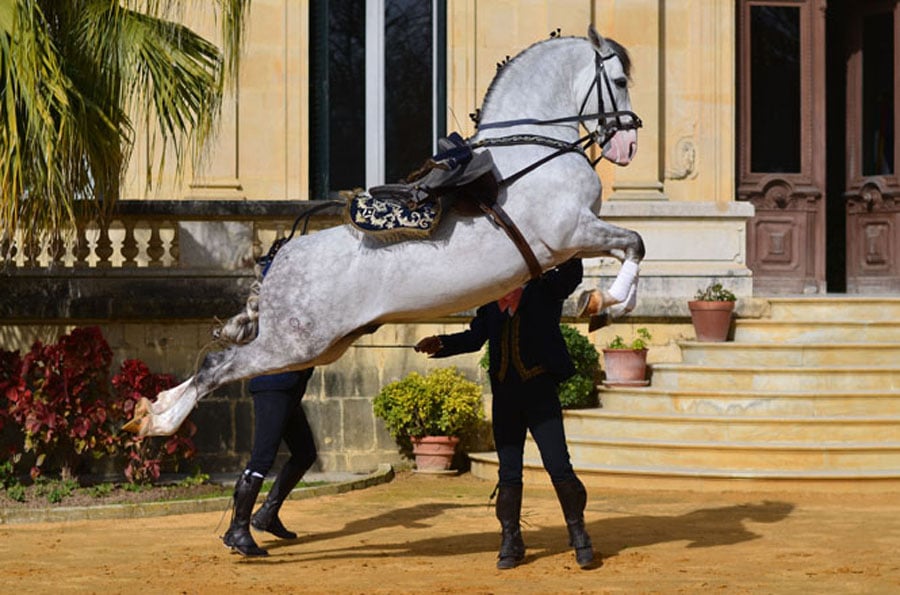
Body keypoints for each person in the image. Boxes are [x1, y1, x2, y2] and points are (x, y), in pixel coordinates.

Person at [414, 258, 595, 570]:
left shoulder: (545, 288)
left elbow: (573, 272)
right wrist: (440, 343)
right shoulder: (490, 298)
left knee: (558, 467)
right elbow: (474, 338)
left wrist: (567, 243)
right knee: (509, 473)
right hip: (506, 398)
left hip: (540, 395)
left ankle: (578, 532)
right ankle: (511, 538)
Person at [222, 368, 317, 557]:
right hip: (275, 387)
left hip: (290, 388)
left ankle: (268, 515)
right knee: (262, 459)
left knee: (305, 453)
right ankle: (238, 530)